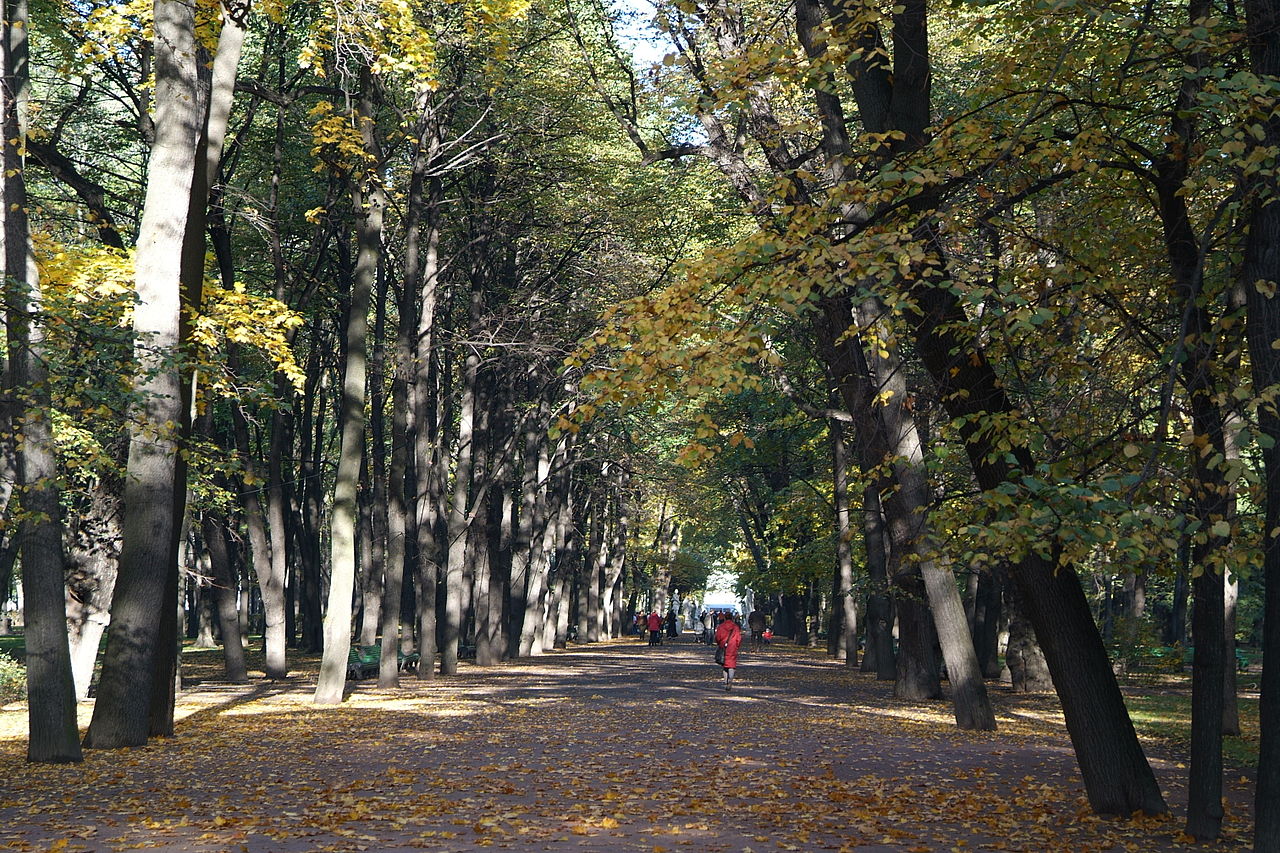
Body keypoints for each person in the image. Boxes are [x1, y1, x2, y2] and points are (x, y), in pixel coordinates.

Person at [714, 613, 742, 690]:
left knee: (724, 664)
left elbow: (717, 637)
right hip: (732, 647)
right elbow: (738, 638)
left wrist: (719, 643)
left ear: (725, 618)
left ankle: (725, 681)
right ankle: (730, 680)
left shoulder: (721, 626)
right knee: (731, 664)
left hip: (723, 646)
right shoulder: (735, 627)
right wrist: (737, 646)